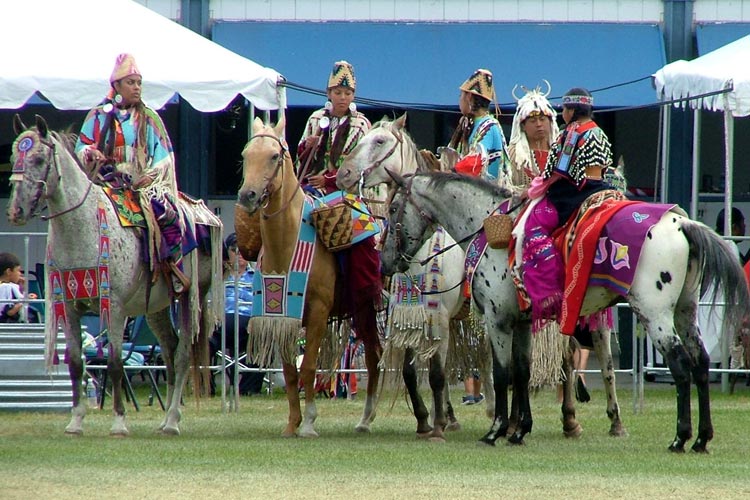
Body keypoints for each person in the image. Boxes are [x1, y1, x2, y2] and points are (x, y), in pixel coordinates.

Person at [75, 53, 192, 294]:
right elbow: (81, 145)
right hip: (104, 181)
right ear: (116, 86)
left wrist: (151, 174)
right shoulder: (98, 116)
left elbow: (165, 154)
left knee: (166, 214)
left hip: (141, 184)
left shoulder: (149, 118)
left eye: (139, 82)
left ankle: (172, 266)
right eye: (131, 82)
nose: (137, 87)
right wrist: (90, 153)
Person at [521, 88, 613, 329]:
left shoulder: (570, 133)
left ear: (573, 111)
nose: (562, 113)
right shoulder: (599, 131)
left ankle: (547, 289)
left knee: (533, 225)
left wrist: (534, 189)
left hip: (572, 194)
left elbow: (556, 173)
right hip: (601, 188)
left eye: (564, 109)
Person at [296, 60, 371, 196]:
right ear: (328, 93)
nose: (343, 98)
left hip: (346, 188)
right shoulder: (316, 119)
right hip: (311, 183)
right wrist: (307, 146)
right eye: (337, 93)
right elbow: (300, 159)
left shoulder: (361, 124)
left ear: (353, 96)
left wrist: (327, 179)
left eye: (348, 93)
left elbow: (361, 164)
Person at [210, 233, 265, 395]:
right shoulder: (217, 277)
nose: (240, 254)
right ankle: (206, 387)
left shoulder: (258, 278)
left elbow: (262, 303)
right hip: (221, 323)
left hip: (249, 324)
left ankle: (248, 389)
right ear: (228, 253)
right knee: (203, 340)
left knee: (263, 340)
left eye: (245, 250)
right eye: (235, 250)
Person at [448, 68, 510, 182]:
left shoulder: (489, 126)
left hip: (489, 194)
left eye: (460, 96)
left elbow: (478, 159)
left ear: (469, 97)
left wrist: (450, 174)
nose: (459, 101)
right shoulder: (467, 125)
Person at [0, 252, 39, 324]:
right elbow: (10, 312)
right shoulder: (6, 288)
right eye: (18, 270)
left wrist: (24, 291)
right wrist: (25, 300)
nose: (20, 274)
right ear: (9, 271)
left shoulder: (10, 287)